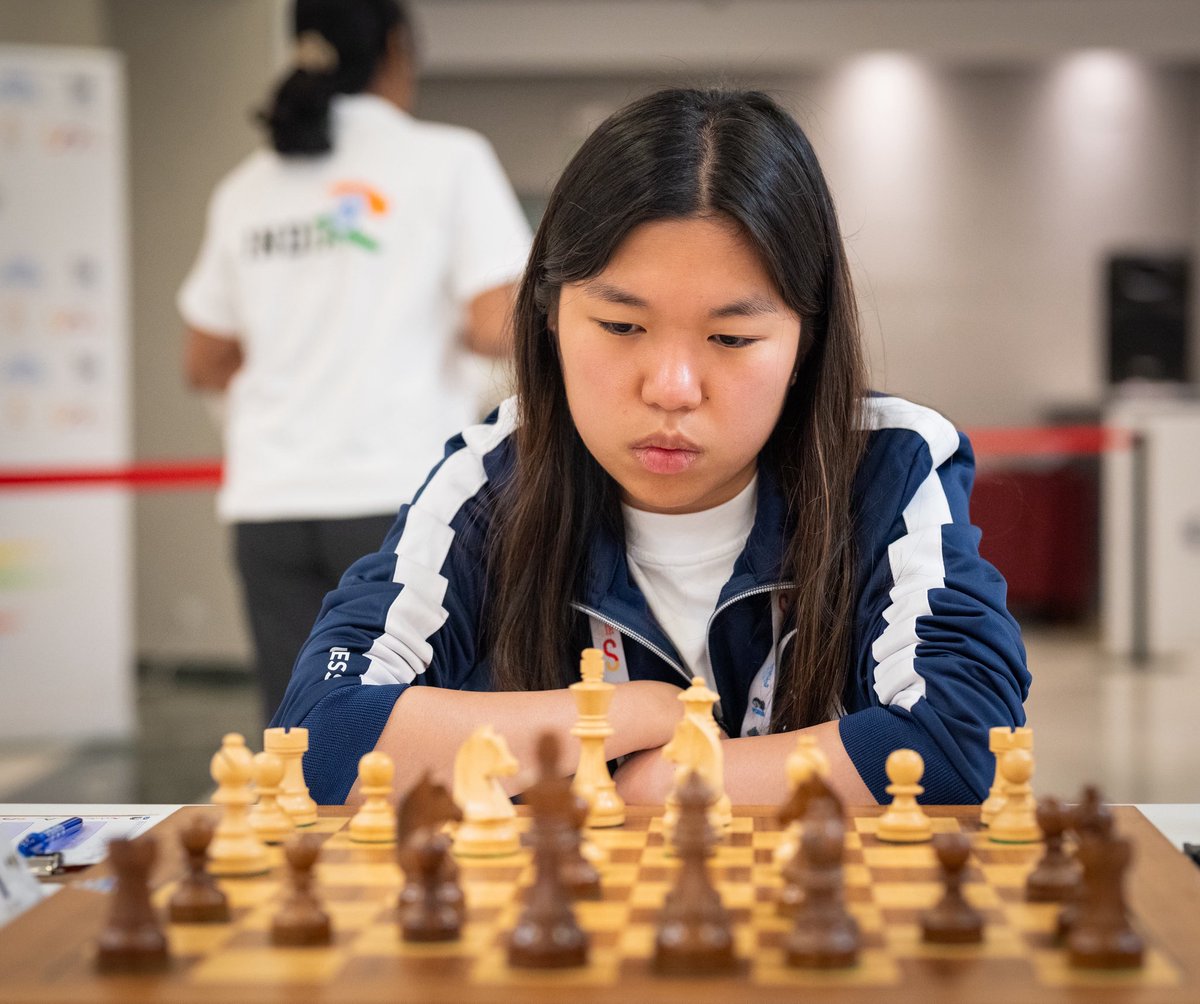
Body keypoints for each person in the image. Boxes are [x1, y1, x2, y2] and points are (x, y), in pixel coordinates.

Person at [271, 87, 1030, 807]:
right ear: (549, 317)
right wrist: (633, 714)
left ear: (807, 340)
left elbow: (968, 742)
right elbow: (318, 737)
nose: (671, 387)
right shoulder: (488, 480)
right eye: (621, 327)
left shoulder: (886, 465)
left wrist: (670, 782)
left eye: (731, 338)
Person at [178, 0, 532, 721]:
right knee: (416, 737)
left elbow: (204, 357)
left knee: (295, 739)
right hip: (397, 497)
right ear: (397, 50)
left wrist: (297, 358)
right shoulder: (448, 160)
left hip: (271, 501)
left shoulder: (247, 189)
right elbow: (498, 324)